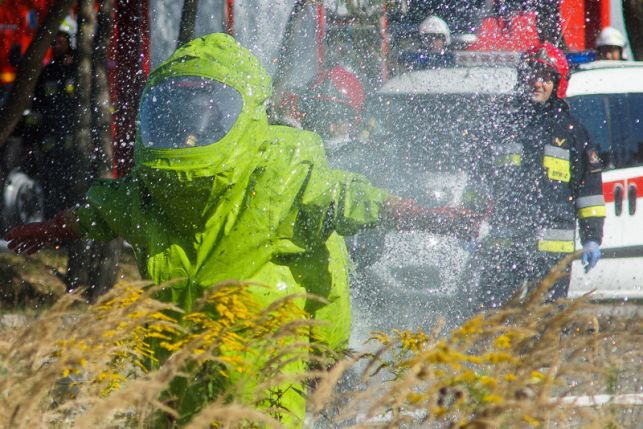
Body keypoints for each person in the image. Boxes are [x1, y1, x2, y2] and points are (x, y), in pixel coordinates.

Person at [5, 33, 479, 427]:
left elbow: (351, 197)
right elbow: (106, 209)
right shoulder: (155, 185)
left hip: (266, 357)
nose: (187, 130)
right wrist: (50, 228)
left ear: (243, 116)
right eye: (177, 114)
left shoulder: (282, 174)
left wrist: (423, 215)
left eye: (201, 113)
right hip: (178, 355)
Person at [472, 42, 605, 309]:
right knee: (492, 322)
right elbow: (479, 180)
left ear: (557, 84)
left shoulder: (572, 132)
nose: (537, 83)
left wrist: (592, 238)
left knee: (544, 325)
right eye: (532, 74)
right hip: (504, 248)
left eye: (545, 77)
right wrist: (469, 222)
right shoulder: (503, 125)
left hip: (551, 256)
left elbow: (588, 192)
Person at [30, 17, 78, 219]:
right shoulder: (47, 73)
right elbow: (36, 110)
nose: (56, 46)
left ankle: (71, 236)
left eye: (61, 41)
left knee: (72, 191)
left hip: (74, 148)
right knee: (51, 192)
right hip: (50, 147)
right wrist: (31, 141)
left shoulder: (79, 72)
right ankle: (51, 232)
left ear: (71, 43)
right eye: (54, 42)